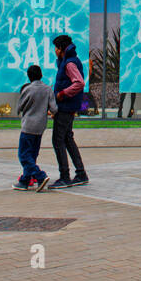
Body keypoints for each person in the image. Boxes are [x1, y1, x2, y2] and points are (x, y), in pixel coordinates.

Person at [49, 35, 89, 188]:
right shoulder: (68, 61)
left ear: (61, 49)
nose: (54, 51)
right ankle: (80, 173)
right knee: (67, 139)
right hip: (68, 106)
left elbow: (79, 83)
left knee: (58, 140)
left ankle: (65, 176)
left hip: (65, 107)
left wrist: (61, 94)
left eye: (56, 48)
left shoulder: (69, 63)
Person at [13, 64, 56, 191]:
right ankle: (25, 180)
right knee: (33, 154)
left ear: (29, 76)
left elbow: (19, 107)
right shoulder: (48, 89)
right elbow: (54, 108)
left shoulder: (28, 89)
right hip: (40, 127)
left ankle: (40, 176)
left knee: (24, 155)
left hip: (28, 126)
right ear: (41, 75)